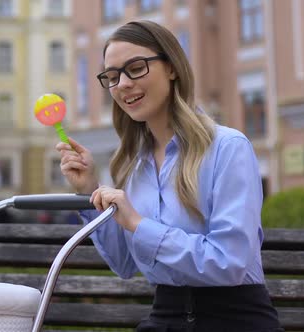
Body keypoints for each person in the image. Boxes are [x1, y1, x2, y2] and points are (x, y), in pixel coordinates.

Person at [56, 20, 283, 332]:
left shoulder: (227, 148)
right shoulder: (134, 165)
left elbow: (229, 263)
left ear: (172, 67)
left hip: (235, 319)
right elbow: (124, 263)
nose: (122, 84)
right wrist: (89, 190)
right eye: (112, 76)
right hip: (165, 317)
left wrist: (138, 223)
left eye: (135, 68)